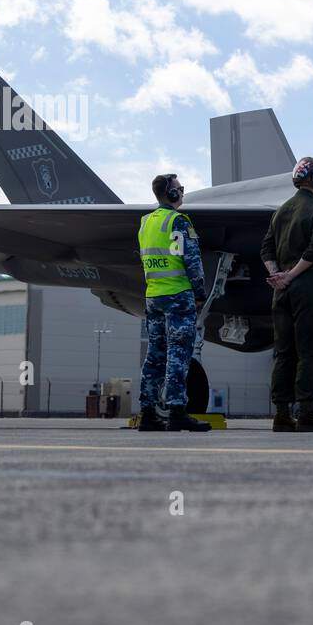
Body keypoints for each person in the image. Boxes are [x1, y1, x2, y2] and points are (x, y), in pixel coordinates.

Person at [262, 157, 313, 433]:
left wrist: (278, 275)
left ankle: (281, 415)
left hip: (280, 291)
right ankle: (306, 413)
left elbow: (266, 250)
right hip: (307, 288)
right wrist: (292, 275)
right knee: (308, 352)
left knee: (283, 353)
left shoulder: (280, 212)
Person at [137, 173, 212, 433]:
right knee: (178, 355)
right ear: (171, 194)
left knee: (155, 356)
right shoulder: (178, 222)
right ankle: (177, 410)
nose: (182, 192)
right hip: (178, 295)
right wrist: (200, 292)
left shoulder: (146, 223)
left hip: (153, 296)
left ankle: (148, 413)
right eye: (180, 188)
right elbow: (191, 261)